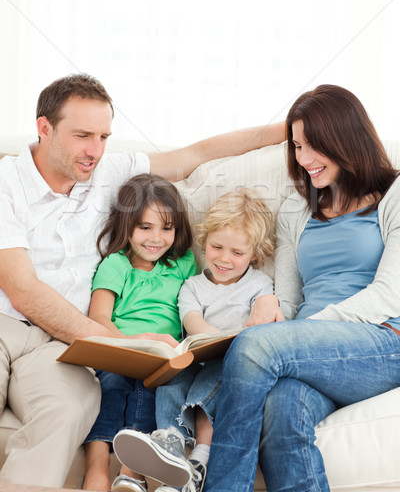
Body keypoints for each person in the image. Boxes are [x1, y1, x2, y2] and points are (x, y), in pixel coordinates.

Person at [0, 72, 285, 487]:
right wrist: (118, 342)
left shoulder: (107, 170)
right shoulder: (5, 182)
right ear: (44, 129)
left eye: (103, 136)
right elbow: (22, 291)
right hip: (7, 325)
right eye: (83, 135)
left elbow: (195, 154)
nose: (95, 150)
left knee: (68, 409)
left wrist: (290, 127)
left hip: (58, 347)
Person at [199, 84, 400, 492]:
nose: (303, 159)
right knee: (282, 409)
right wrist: (271, 301)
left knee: (256, 346)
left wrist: (302, 332)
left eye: (314, 146)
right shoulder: (296, 209)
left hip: (382, 341)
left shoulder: (394, 196)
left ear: (346, 139)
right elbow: (290, 302)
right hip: (308, 349)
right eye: (297, 146)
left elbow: (389, 294)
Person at [113, 188, 282, 492]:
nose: (225, 259)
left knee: (211, 381)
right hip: (197, 353)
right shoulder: (192, 286)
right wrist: (206, 339)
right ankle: (171, 442)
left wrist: (255, 318)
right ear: (205, 242)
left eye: (238, 253)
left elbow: (265, 321)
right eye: (217, 247)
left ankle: (199, 459)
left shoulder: (260, 283)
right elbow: (193, 323)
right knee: (172, 381)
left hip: (233, 362)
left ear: (255, 254)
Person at [82, 173, 197, 492]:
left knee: (151, 394)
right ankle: (98, 464)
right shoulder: (116, 264)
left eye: (166, 228)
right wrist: (134, 344)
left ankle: (131, 471)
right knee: (112, 387)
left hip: (160, 361)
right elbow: (99, 319)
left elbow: (198, 307)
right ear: (126, 225)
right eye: (145, 227)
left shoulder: (183, 264)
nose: (156, 238)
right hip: (118, 353)